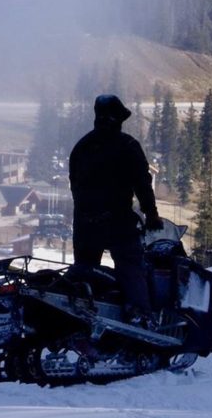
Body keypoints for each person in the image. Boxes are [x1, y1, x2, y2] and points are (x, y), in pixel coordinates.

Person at [67, 94, 163, 317]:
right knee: (131, 266)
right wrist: (152, 215)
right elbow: (142, 185)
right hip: (118, 222)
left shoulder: (81, 147)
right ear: (117, 119)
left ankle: (86, 316)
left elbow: (75, 188)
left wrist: (86, 214)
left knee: (85, 273)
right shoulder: (127, 146)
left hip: (84, 225)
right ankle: (140, 316)